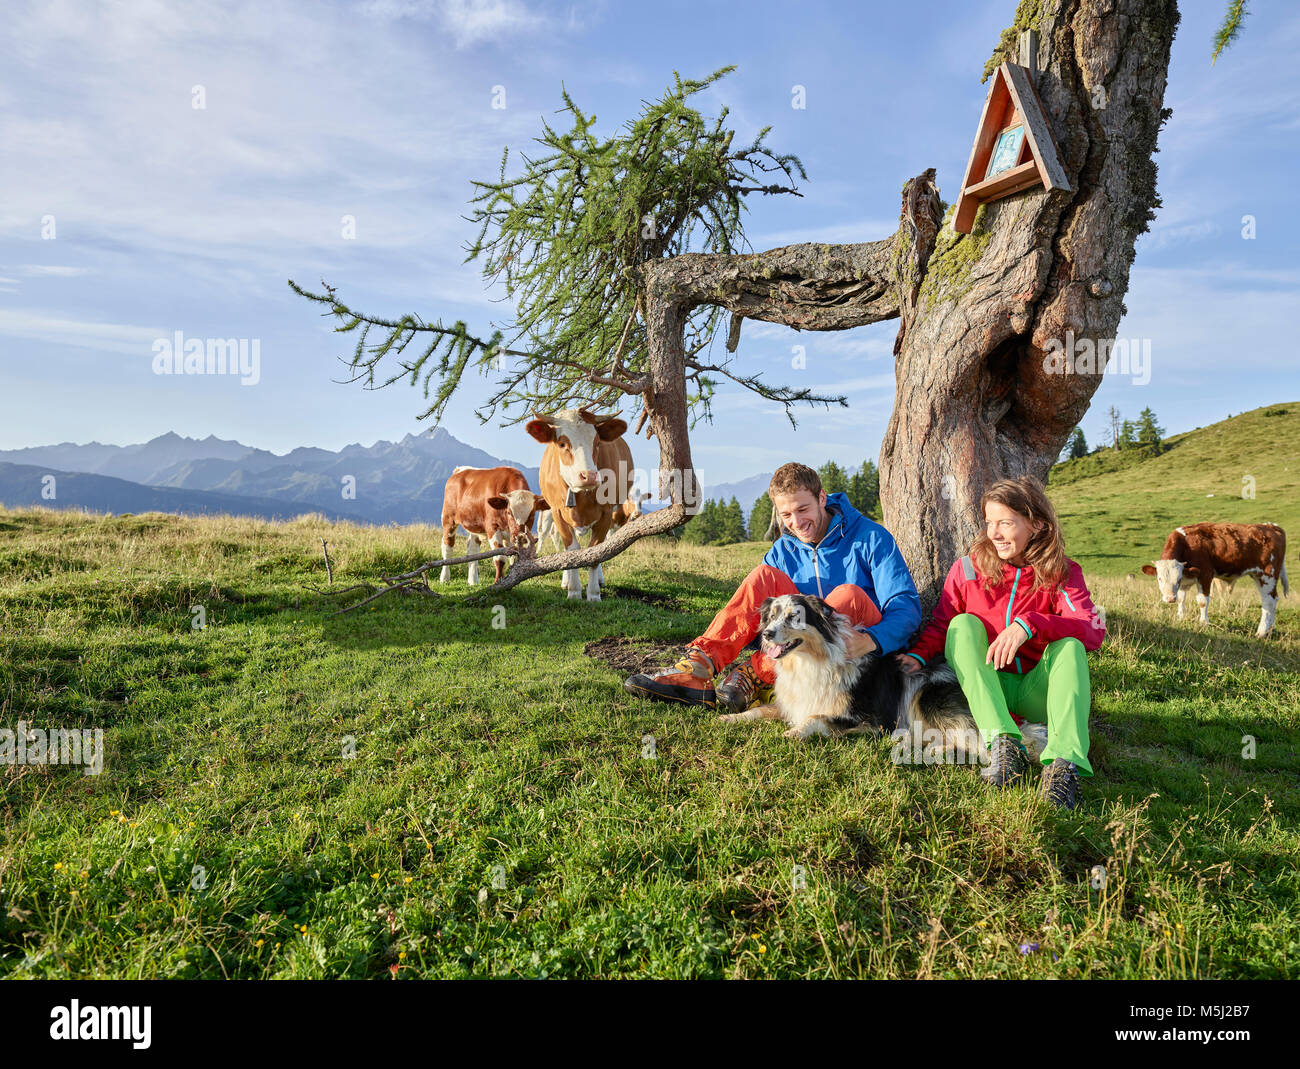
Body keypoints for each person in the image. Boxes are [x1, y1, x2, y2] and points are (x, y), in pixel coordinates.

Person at [624, 462, 921, 713]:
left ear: (822, 497)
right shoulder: (783, 550)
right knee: (763, 575)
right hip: (803, 648)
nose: (797, 522)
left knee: (847, 595)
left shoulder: (870, 537)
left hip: (859, 645)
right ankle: (698, 668)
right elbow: (759, 623)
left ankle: (756, 673)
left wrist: (872, 639)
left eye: (803, 509)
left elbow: (906, 607)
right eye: (786, 515)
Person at [899, 475, 1105, 809]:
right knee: (964, 624)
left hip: (1035, 690)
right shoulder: (967, 568)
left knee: (1071, 645)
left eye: (1006, 523)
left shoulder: (1063, 572)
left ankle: (1063, 769)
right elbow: (943, 623)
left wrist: (1032, 624)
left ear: (1036, 525)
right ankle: (1004, 747)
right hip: (983, 686)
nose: (994, 533)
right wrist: (919, 657)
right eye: (990, 522)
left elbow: (1093, 631)